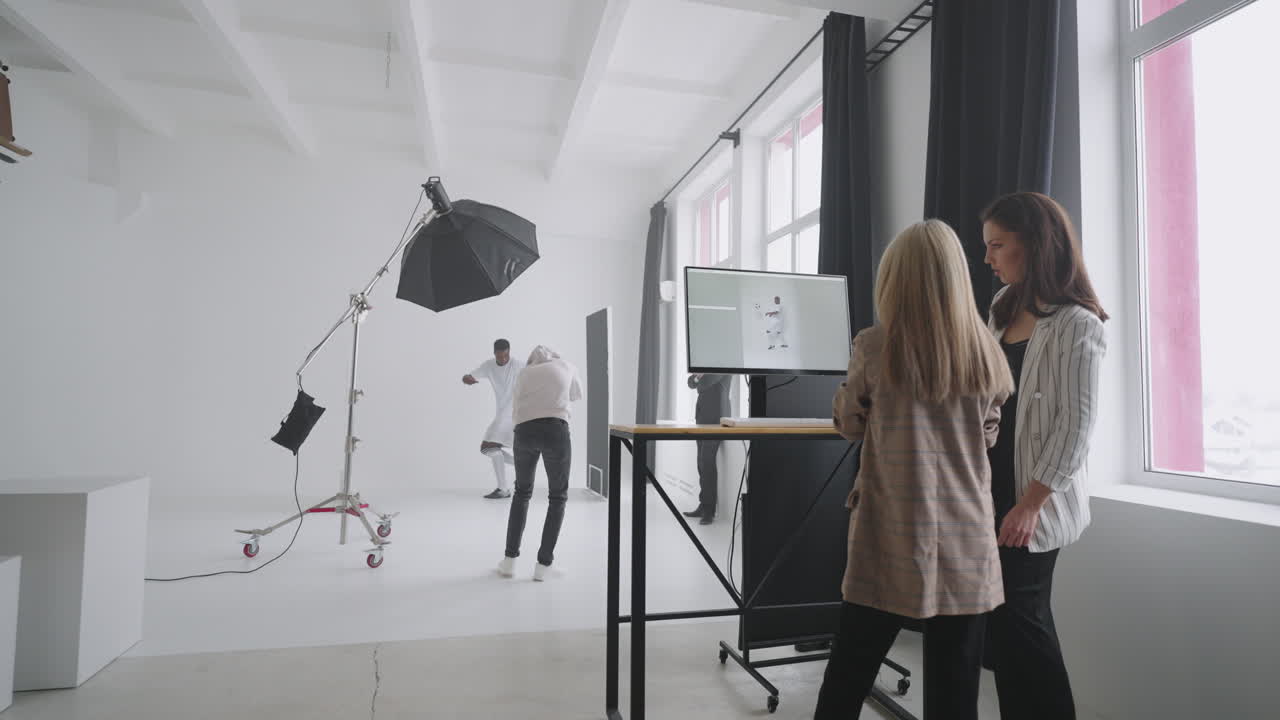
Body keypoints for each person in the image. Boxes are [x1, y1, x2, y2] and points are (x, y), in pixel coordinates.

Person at [814, 220, 1013, 720]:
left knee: (848, 675)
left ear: (895, 280)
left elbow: (849, 423)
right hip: (966, 541)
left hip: (891, 533)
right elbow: (987, 436)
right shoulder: (986, 349)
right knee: (955, 690)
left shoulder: (876, 345)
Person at [981, 192, 1108, 720]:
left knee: (1024, 626)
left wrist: (1030, 504)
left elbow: (1076, 426)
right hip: (990, 491)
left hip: (1034, 500)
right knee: (1006, 633)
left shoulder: (1080, 324)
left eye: (998, 245)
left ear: (1033, 246)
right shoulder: (1001, 308)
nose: (987, 257)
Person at [497, 345, 582, 582]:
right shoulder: (567, 365)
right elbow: (576, 395)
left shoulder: (524, 373)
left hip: (524, 431)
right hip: (556, 429)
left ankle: (509, 561)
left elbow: (515, 408)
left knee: (521, 493)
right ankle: (543, 566)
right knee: (557, 497)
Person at [463, 339, 525, 499]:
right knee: (488, 448)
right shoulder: (489, 365)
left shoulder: (518, 365)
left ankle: (504, 488)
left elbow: (535, 375)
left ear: (509, 352)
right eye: (500, 356)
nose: (503, 359)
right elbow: (471, 375)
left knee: (488, 447)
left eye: (506, 355)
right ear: (494, 354)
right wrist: (467, 378)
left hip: (514, 413)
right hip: (502, 413)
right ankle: (520, 466)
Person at [681, 373, 731, 525]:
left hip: (717, 418)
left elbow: (705, 383)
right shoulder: (704, 365)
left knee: (707, 462)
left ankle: (709, 510)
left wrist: (698, 379)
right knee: (701, 463)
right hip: (702, 417)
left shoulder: (722, 361)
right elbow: (691, 382)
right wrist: (697, 378)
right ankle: (703, 505)